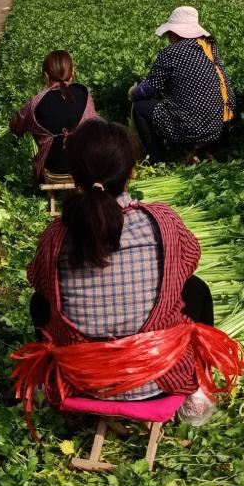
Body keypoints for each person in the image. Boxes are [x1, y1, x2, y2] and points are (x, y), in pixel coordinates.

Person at [27, 119, 213, 401]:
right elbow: (190, 260)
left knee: (39, 301)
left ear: (75, 178)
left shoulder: (57, 234)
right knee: (196, 288)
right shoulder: (162, 221)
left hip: (83, 380)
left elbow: (37, 280)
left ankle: (43, 382)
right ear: (132, 172)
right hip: (157, 378)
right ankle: (198, 390)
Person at [130, 5, 236, 163]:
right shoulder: (209, 48)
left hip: (192, 129)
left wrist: (132, 92)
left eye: (169, 34)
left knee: (140, 107)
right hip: (220, 127)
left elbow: (150, 89)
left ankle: (158, 159)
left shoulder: (170, 53)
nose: (168, 38)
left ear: (175, 33)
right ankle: (199, 149)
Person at [10, 50, 98, 184]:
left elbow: (16, 128)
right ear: (73, 71)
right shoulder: (85, 94)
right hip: (86, 168)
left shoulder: (35, 102)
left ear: (45, 76)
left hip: (54, 170)